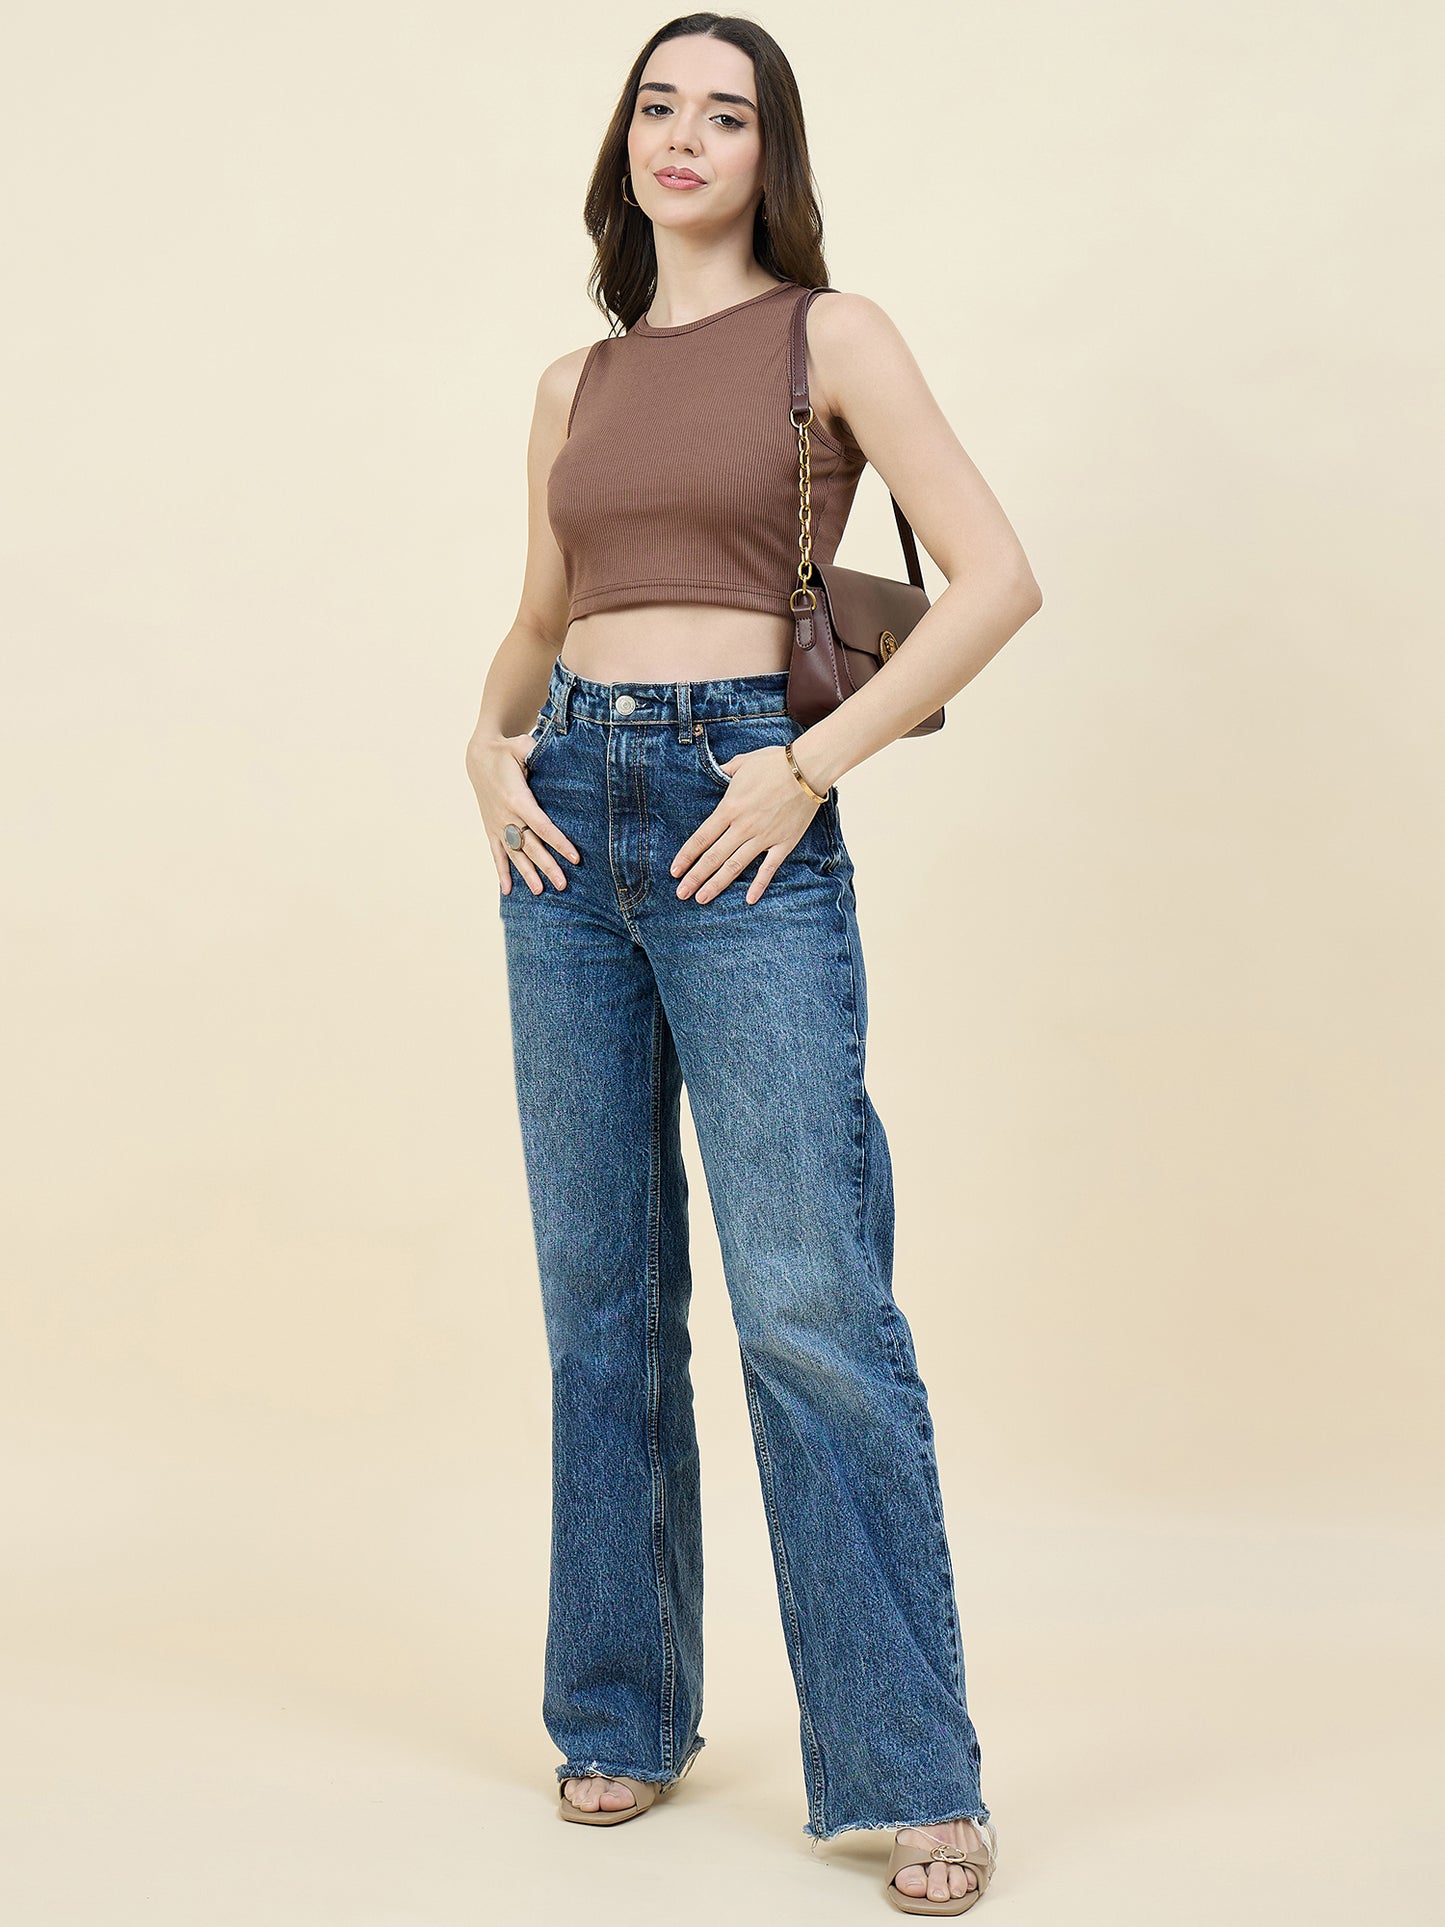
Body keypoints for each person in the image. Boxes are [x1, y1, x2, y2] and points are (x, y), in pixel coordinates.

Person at [465, 15, 1041, 1916]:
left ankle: (908, 1772)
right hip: (566, 828)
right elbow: (542, 616)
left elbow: (994, 577)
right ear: (624, 141)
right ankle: (620, 1713)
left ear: (765, 153)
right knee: (598, 1293)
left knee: (807, 1300)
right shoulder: (572, 382)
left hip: (743, 809)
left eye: (725, 113)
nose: (684, 136)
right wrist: (484, 746)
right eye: (659, 105)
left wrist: (808, 765)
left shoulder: (830, 337)